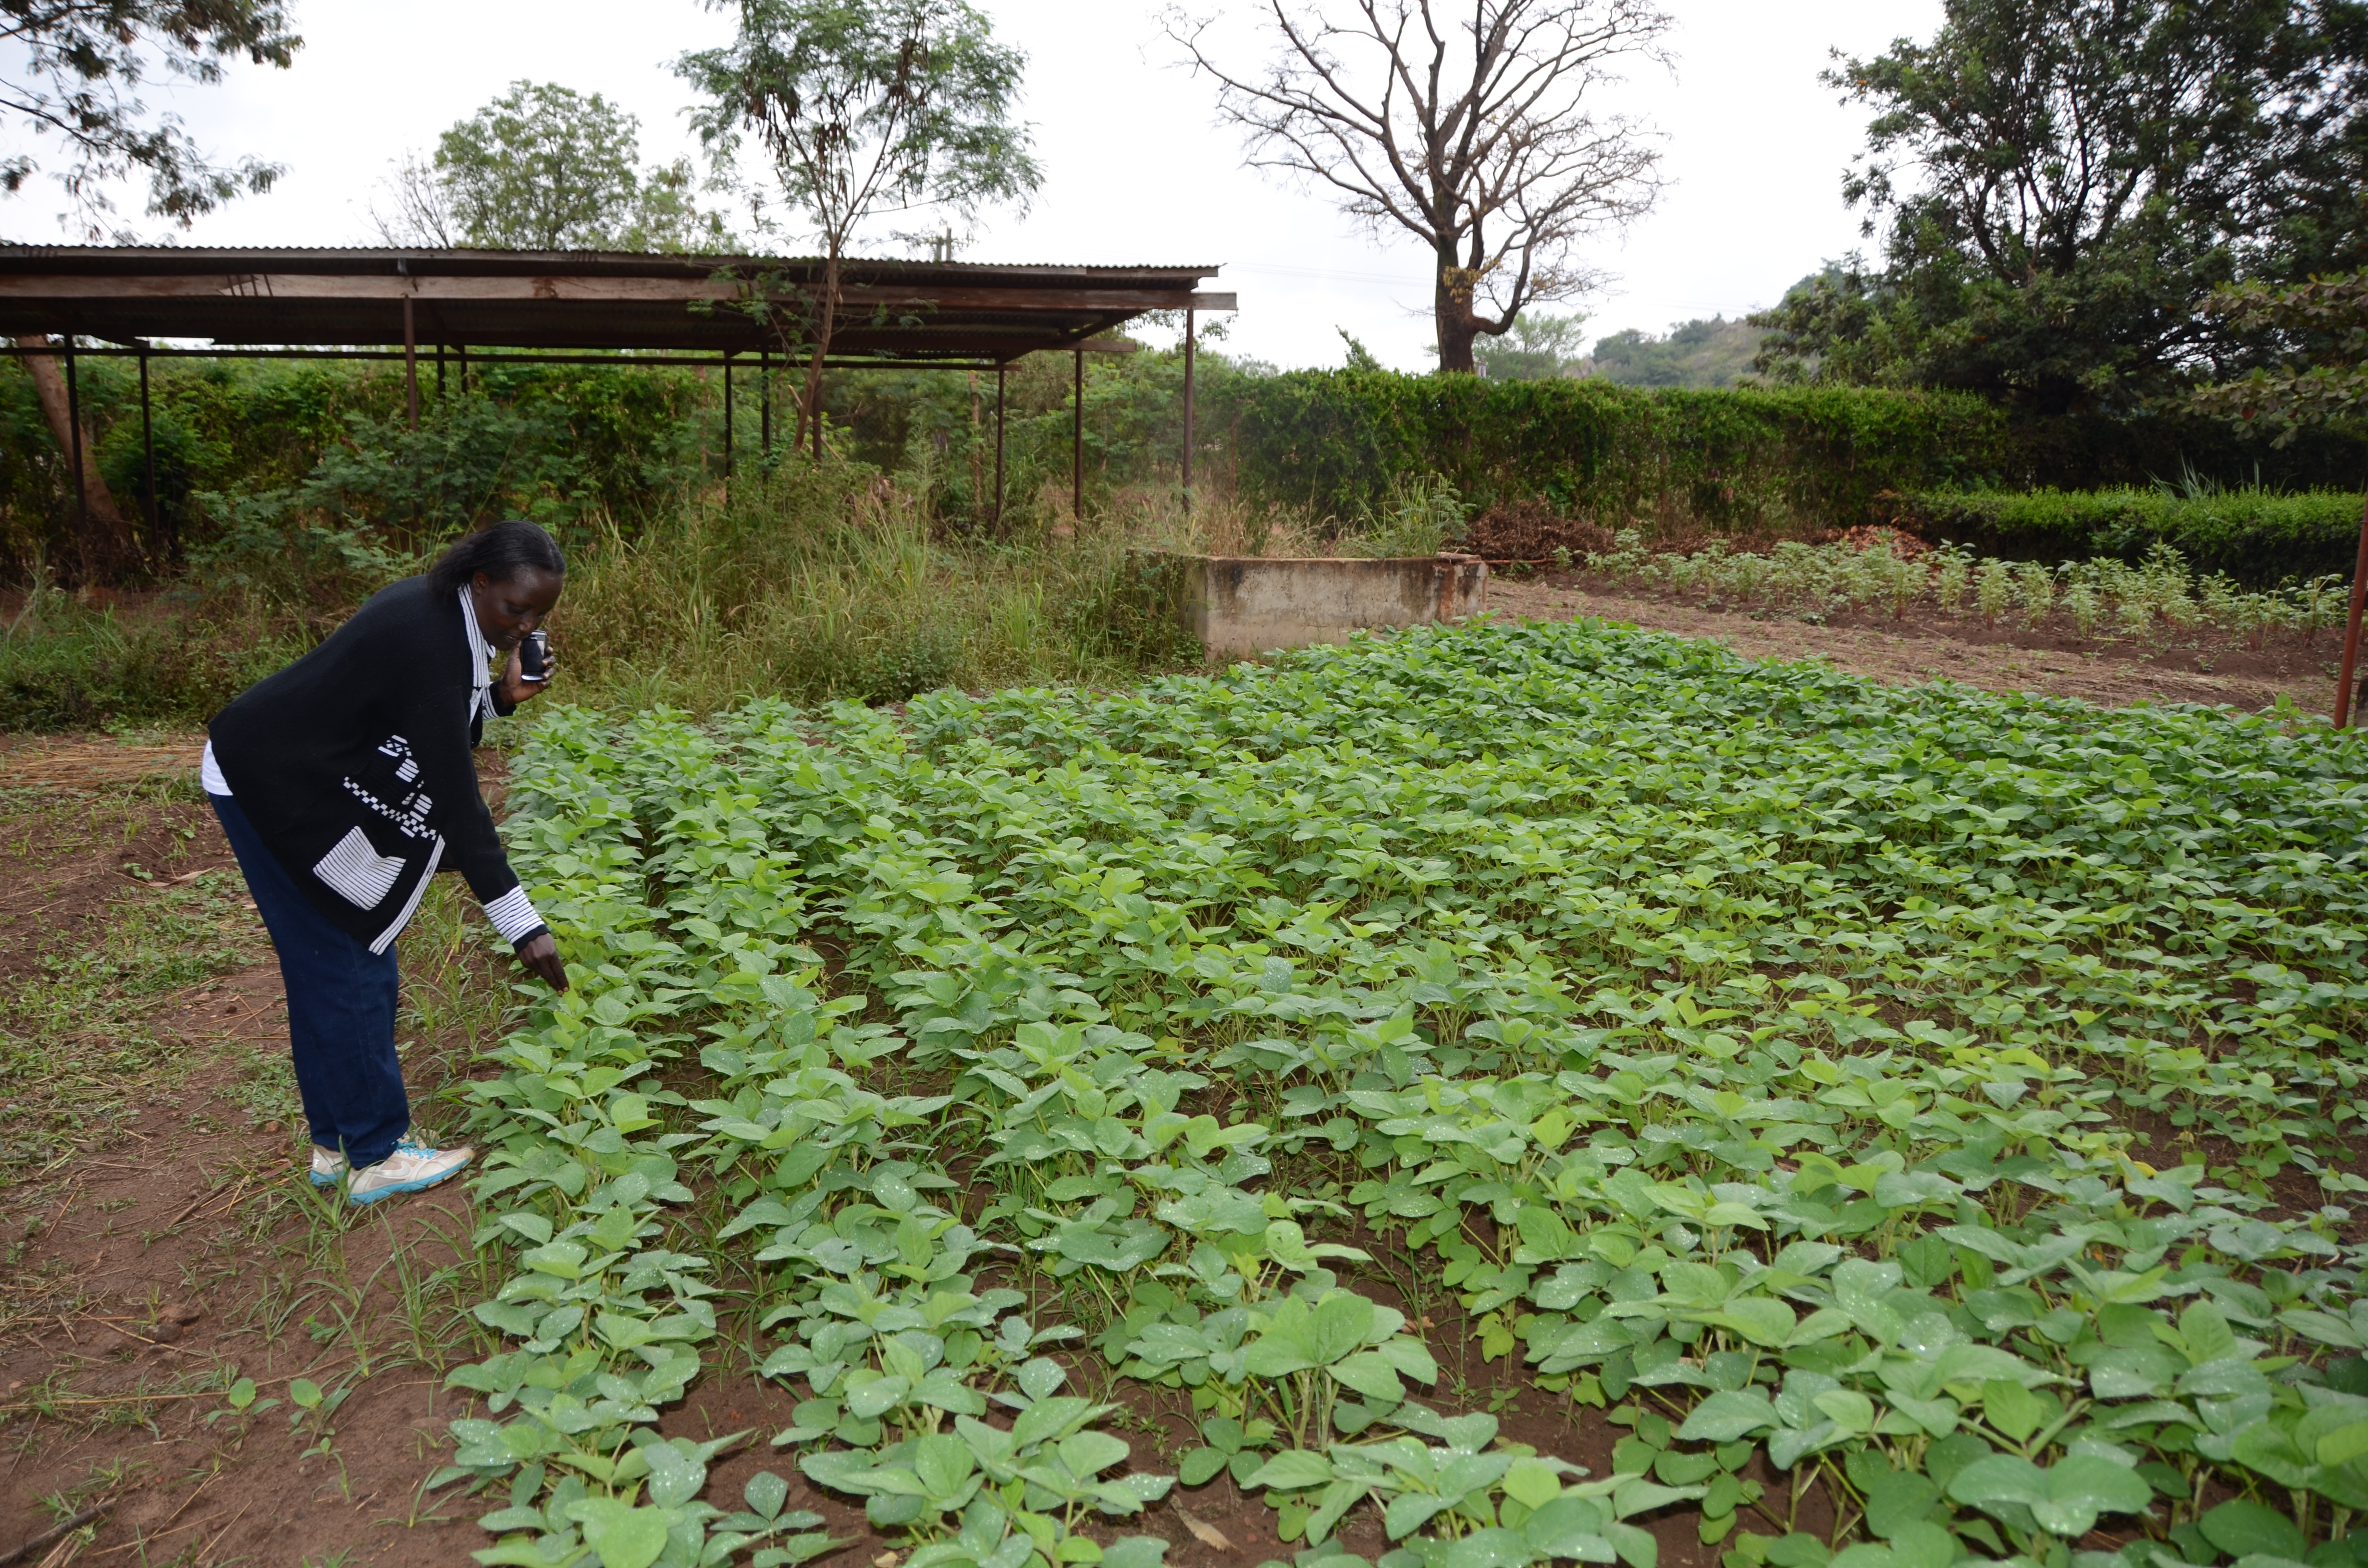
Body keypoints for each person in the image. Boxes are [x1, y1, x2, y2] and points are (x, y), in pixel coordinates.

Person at [202, 519, 571, 1204]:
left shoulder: (442, 613)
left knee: (329, 967)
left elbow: (417, 722)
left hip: (303, 770)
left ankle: (336, 1146)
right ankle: (376, 1154)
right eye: (514, 608)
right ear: (479, 580)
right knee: (349, 962)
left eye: (538, 615)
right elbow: (459, 801)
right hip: (272, 782)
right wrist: (522, 923)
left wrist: (501, 697)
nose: (523, 627)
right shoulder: (431, 634)